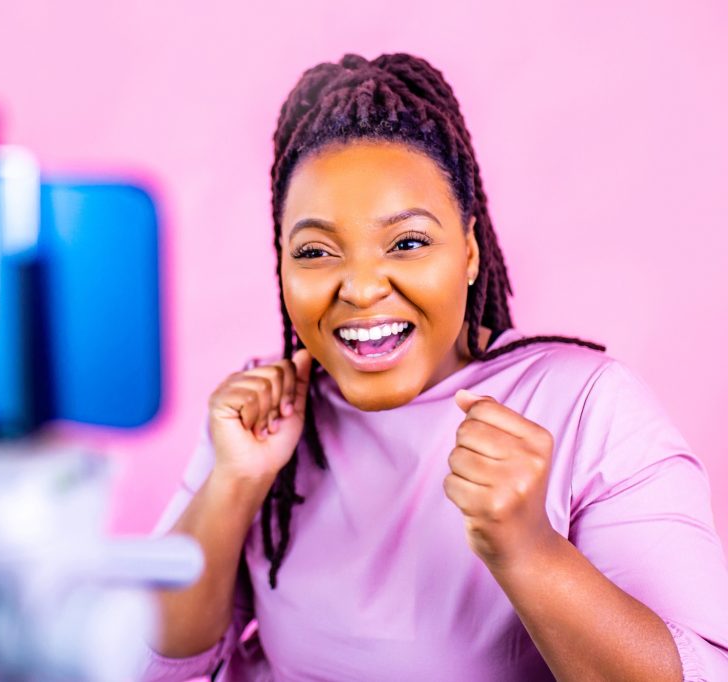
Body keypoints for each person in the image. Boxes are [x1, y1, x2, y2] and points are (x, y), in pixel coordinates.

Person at [137, 53, 728, 680]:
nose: (361, 289)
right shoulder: (263, 413)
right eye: (315, 251)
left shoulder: (589, 406)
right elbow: (150, 665)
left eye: (408, 242)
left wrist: (529, 550)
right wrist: (233, 482)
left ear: (469, 252)